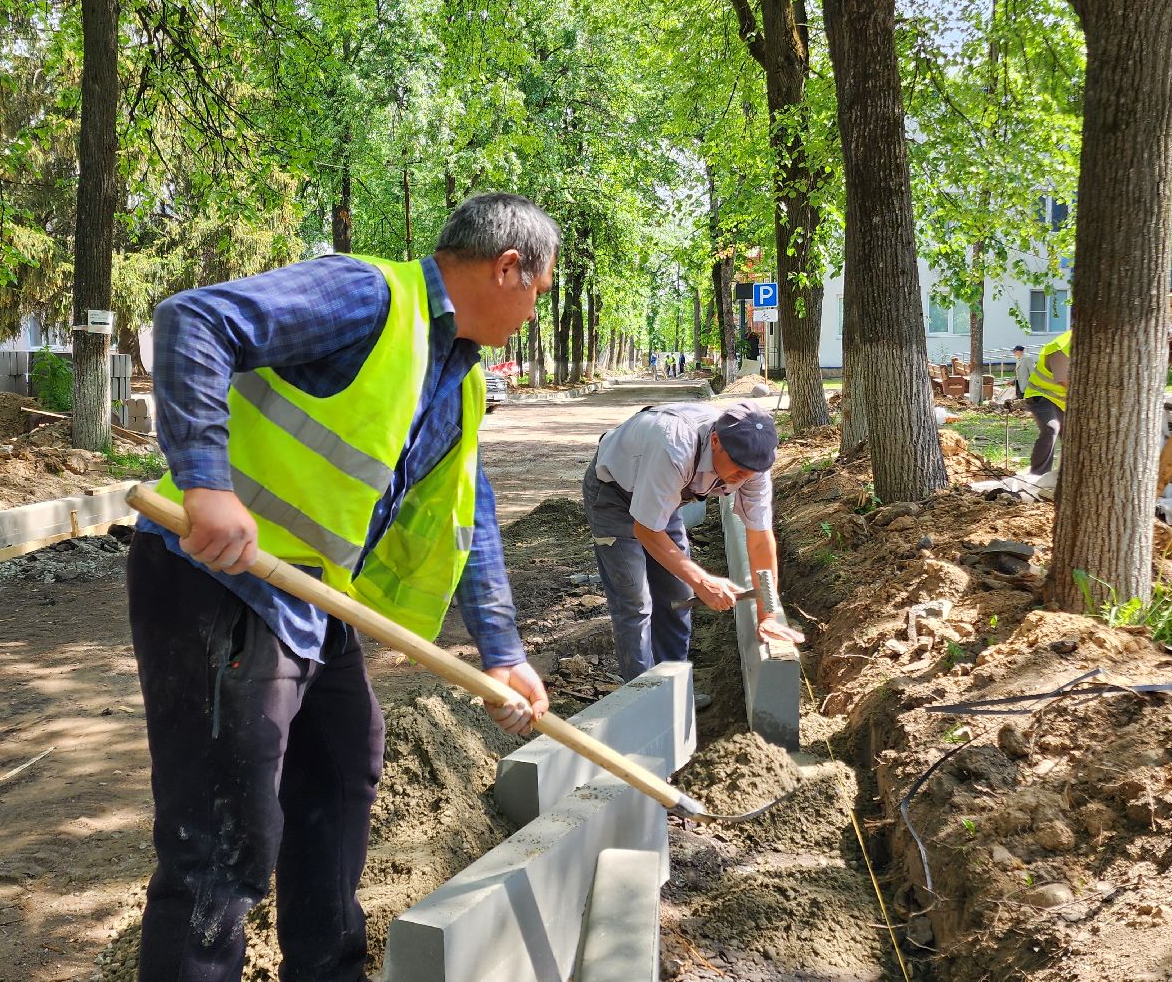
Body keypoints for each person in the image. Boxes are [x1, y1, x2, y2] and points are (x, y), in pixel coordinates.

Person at [128, 193, 557, 982]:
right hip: (219, 584)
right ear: (508, 269)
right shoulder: (369, 298)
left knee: (341, 771)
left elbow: (474, 513)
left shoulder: (456, 374)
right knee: (222, 844)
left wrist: (503, 652)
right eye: (540, 290)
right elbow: (193, 320)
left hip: (311, 600)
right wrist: (204, 484)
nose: (536, 311)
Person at [582, 400, 805, 685]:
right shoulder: (674, 447)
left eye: (750, 472)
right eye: (737, 468)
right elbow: (647, 530)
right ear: (715, 441)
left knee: (677, 593)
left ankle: (675, 691)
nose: (743, 477)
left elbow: (760, 540)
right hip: (613, 493)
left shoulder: (753, 464)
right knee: (635, 602)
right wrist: (703, 581)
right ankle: (644, 699)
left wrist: (768, 615)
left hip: (667, 493)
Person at [1022, 329, 1070, 476]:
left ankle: (1067, 476)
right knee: (1051, 428)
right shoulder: (1060, 349)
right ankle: (1038, 475)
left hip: (1062, 402)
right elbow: (1066, 382)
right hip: (1041, 395)